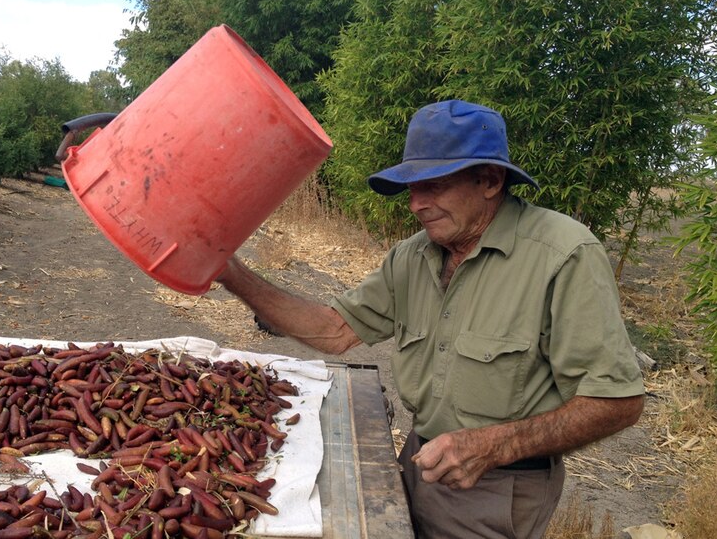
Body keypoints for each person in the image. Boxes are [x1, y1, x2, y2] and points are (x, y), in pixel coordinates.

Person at [216, 99, 645, 539]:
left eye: (433, 186)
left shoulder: (563, 255)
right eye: (411, 189)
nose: (416, 205)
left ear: (490, 180)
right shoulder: (412, 256)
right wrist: (231, 274)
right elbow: (334, 329)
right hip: (418, 461)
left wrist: (494, 446)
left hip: (497, 486)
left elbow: (617, 401)